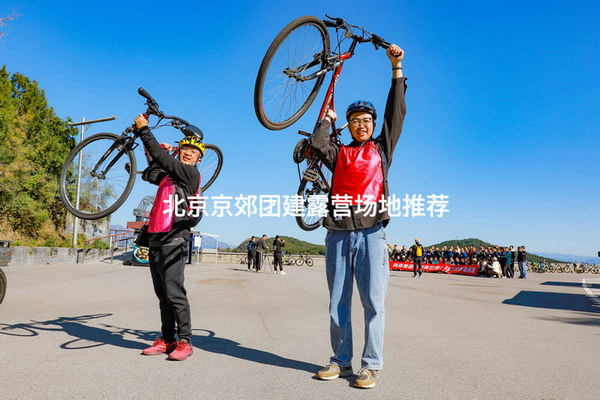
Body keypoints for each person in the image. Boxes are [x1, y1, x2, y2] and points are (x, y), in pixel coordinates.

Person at [311, 44, 407, 389]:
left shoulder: (381, 148)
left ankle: (371, 366)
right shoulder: (339, 154)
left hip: (371, 234)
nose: (362, 125)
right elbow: (319, 143)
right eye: (356, 121)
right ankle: (340, 361)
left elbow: (395, 113)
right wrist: (328, 118)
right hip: (337, 232)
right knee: (338, 301)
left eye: (367, 120)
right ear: (349, 126)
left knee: (373, 304)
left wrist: (396, 69)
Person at [134, 114, 204, 361]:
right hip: (155, 238)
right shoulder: (168, 177)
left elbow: (164, 160)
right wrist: (150, 152)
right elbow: (150, 172)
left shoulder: (190, 175)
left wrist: (145, 130)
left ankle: (185, 341)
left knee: (175, 293)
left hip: (175, 239)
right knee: (162, 294)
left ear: (198, 159)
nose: (188, 153)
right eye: (184, 149)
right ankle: (167, 339)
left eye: (193, 152)